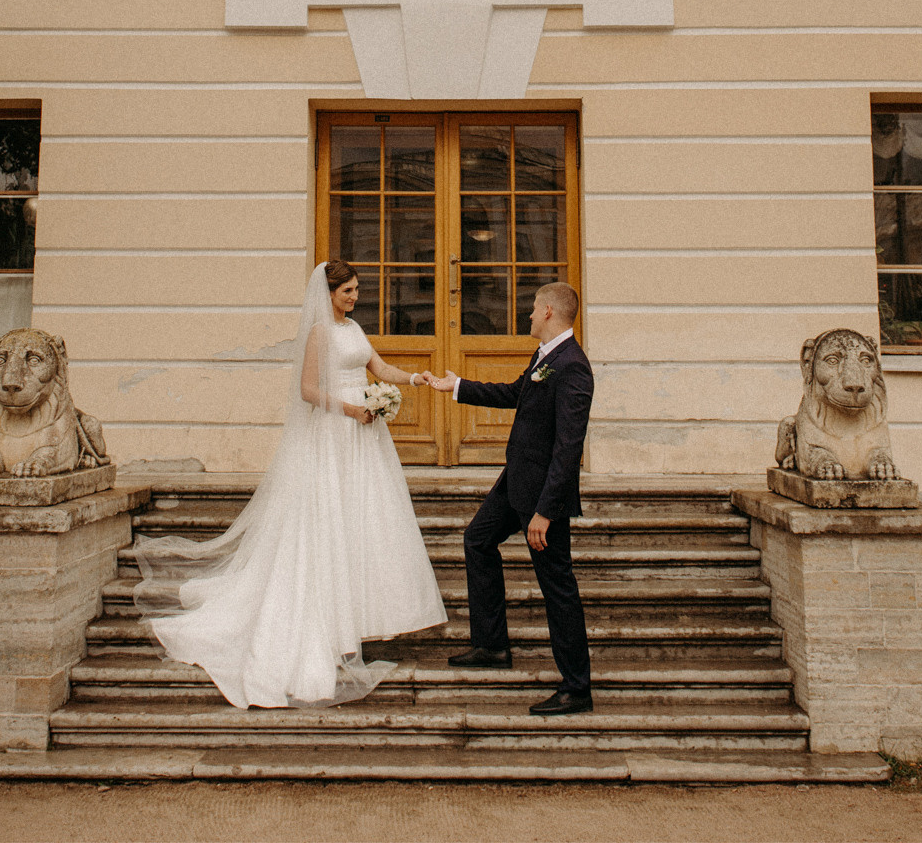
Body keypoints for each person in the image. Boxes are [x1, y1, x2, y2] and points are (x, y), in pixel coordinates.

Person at [130, 261, 445, 708]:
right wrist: (350, 409)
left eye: (357, 290)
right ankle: (327, 621)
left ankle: (357, 614)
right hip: (336, 433)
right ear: (329, 292)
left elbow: (380, 367)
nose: (355, 297)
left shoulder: (354, 329)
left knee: (365, 520)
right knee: (329, 521)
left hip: (364, 439)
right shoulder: (319, 333)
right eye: (348, 291)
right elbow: (308, 391)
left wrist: (415, 379)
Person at [417, 282, 595, 715]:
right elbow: (515, 394)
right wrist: (456, 386)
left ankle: (577, 687)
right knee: (477, 540)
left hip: (540, 499)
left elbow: (569, 447)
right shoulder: (545, 357)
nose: (529, 315)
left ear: (549, 311)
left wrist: (546, 513)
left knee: (558, 589)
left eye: (534, 309)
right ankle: (492, 645)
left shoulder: (573, 367)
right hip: (516, 481)